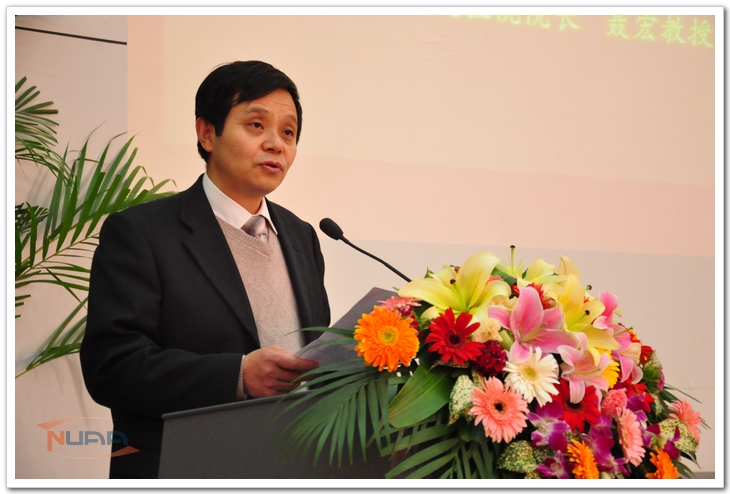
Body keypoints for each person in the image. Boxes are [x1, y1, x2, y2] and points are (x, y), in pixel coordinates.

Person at [80, 61, 330, 479]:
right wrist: (238, 375)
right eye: (256, 125)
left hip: (295, 467)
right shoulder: (142, 232)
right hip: (185, 470)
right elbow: (111, 366)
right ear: (207, 133)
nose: (276, 144)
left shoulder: (301, 235)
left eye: (288, 132)